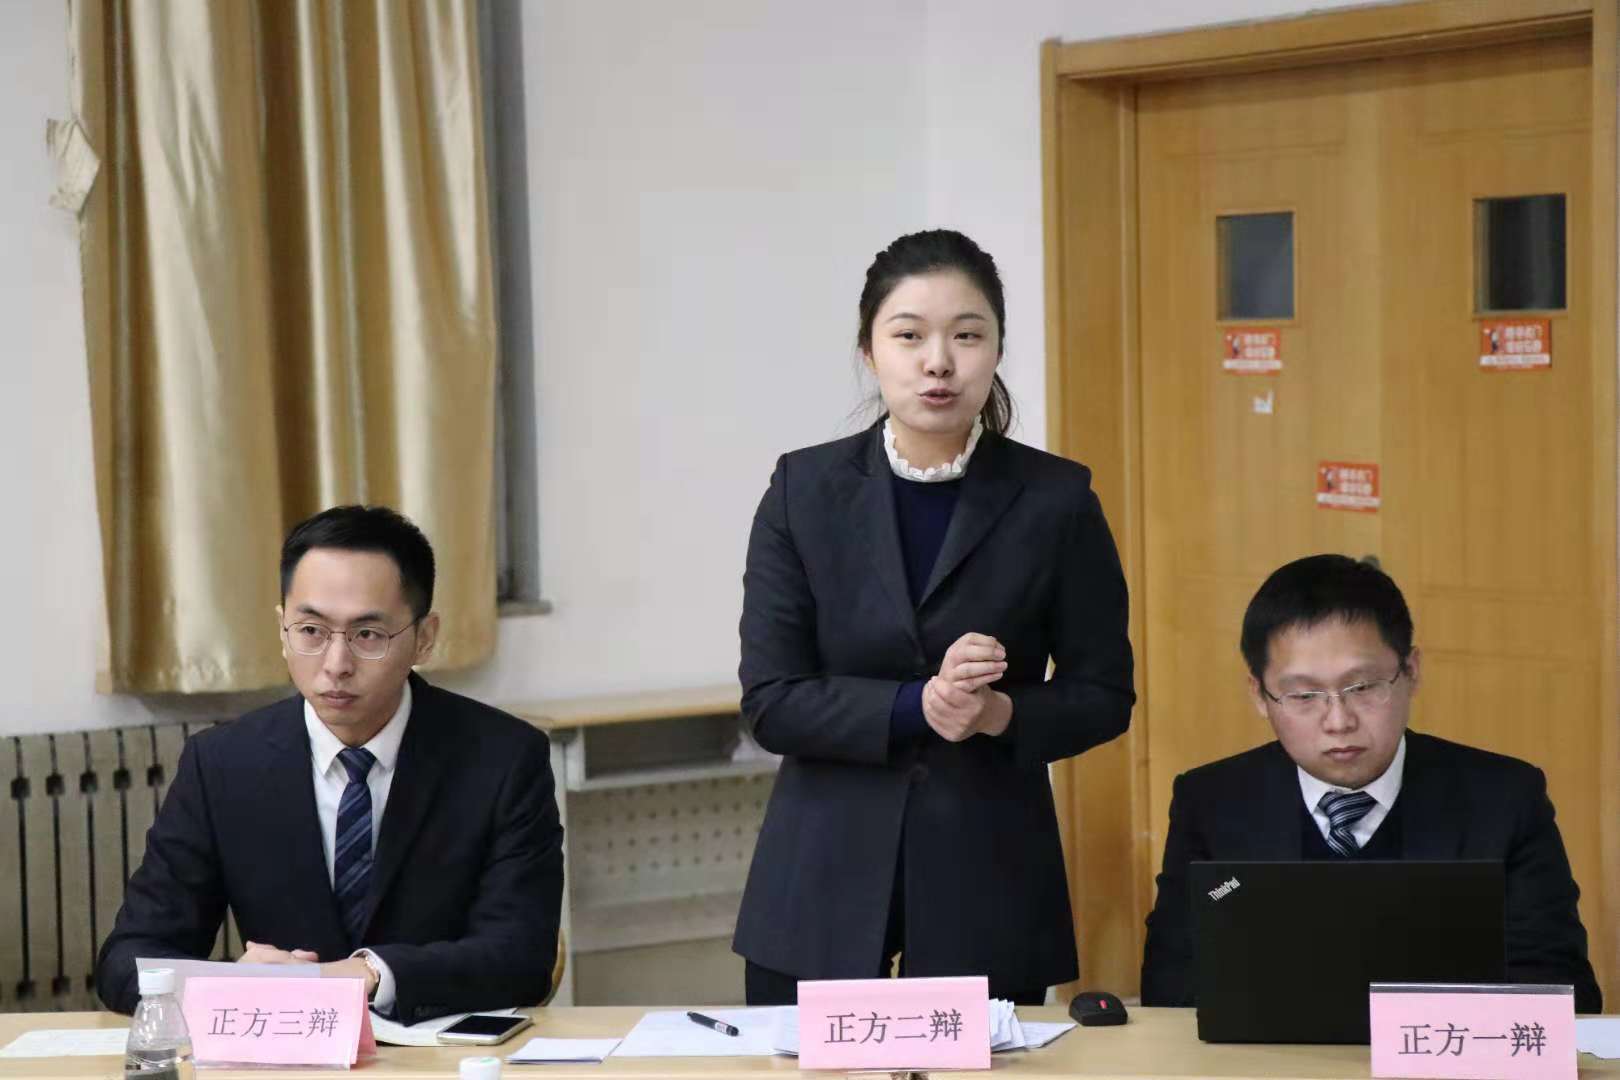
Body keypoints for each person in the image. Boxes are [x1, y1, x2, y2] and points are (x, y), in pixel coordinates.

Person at [731, 229, 1135, 1005]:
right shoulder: (803, 491)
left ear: (997, 349)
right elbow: (772, 701)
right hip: (820, 886)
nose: (939, 362)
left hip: (988, 881)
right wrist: (921, 704)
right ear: (869, 350)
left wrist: (996, 713)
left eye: (967, 336)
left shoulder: (1057, 500)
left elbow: (1103, 695)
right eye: (909, 335)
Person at [97, 506, 564, 1022]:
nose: (336, 665)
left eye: (368, 635)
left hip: (439, 1053)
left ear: (424, 637)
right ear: (282, 630)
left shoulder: (503, 759)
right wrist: (232, 984)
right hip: (284, 1050)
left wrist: (372, 975)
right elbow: (127, 959)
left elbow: (522, 957)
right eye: (311, 631)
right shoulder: (222, 764)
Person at [1140, 554, 1601, 1012]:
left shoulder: (1504, 799)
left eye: (1362, 687)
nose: (1338, 721)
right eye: (1304, 695)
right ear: (1260, 695)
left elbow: (1561, 991)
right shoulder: (1213, 804)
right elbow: (1171, 987)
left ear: (1411, 672)